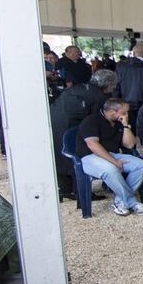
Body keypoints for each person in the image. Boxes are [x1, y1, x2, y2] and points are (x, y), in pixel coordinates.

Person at [76, 98, 143, 216]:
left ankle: (120, 201)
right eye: (124, 112)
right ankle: (131, 202)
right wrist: (114, 161)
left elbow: (130, 144)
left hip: (112, 154)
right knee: (111, 169)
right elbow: (92, 144)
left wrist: (125, 125)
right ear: (112, 112)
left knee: (141, 165)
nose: (126, 115)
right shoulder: (91, 120)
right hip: (89, 156)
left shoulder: (120, 122)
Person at [51, 69, 117, 198]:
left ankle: (65, 189)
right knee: (79, 155)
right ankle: (81, 192)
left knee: (61, 153)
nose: (114, 87)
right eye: (114, 84)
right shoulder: (99, 97)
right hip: (73, 128)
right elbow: (97, 120)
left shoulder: (77, 88)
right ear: (108, 85)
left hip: (55, 123)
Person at [116, 42, 143, 121]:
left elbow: (116, 87)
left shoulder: (121, 67)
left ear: (133, 53)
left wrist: (118, 103)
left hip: (124, 105)